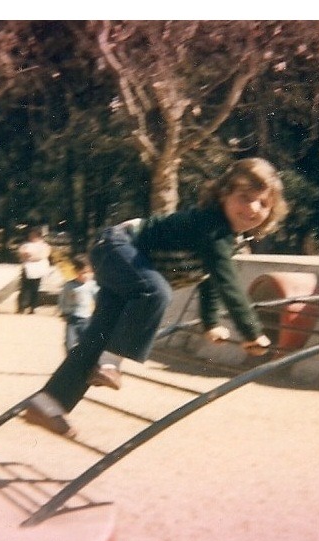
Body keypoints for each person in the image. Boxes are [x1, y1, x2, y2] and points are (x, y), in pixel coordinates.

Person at [22, 157, 288, 437]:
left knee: (98, 337)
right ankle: (109, 364)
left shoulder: (227, 241)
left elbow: (210, 280)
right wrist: (251, 331)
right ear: (223, 195)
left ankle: (47, 403)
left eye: (263, 203)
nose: (252, 208)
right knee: (156, 291)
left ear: (271, 211)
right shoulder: (211, 225)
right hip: (117, 246)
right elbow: (229, 284)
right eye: (244, 198)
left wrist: (210, 323)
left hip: (126, 265)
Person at [58, 254, 123, 389]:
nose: (86, 276)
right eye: (83, 273)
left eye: (89, 273)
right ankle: (72, 367)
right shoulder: (69, 286)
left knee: (88, 343)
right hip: (72, 318)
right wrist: (63, 311)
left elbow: (100, 299)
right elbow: (62, 300)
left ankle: (91, 368)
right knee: (70, 343)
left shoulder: (92, 286)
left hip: (87, 318)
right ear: (76, 272)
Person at [17, 227, 51, 314]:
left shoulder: (44, 246)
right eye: (30, 235)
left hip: (38, 269)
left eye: (34, 235)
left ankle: (33, 307)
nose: (31, 237)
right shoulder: (25, 245)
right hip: (27, 268)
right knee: (24, 289)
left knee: (35, 289)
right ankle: (21, 307)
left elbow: (42, 255)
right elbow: (21, 254)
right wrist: (27, 256)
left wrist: (31, 256)